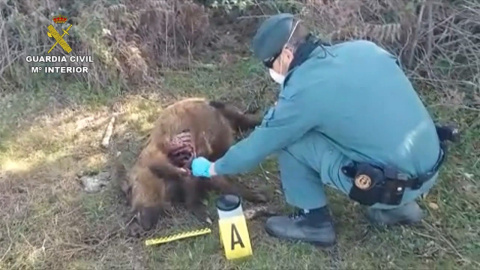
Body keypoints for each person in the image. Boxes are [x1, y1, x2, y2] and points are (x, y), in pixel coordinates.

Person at [189, 13, 446, 247]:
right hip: (429, 165)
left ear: (287, 55)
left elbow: (259, 145)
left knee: (290, 140)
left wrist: (212, 168)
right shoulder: (364, 49)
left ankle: (314, 223)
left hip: (387, 185)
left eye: (270, 64)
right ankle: (396, 208)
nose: (270, 71)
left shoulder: (304, 91)